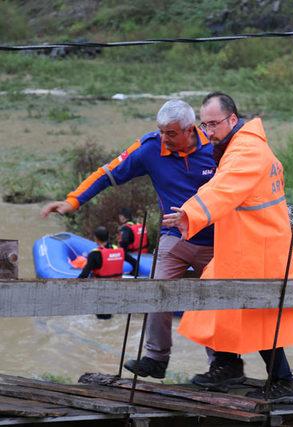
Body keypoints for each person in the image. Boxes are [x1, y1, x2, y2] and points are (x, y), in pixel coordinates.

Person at [41, 99, 216, 379]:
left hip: (215, 239)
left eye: (171, 133)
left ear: (189, 130)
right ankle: (156, 358)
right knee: (157, 290)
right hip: (174, 237)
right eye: (161, 131)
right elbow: (107, 173)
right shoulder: (150, 148)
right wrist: (73, 201)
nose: (164, 138)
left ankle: (220, 364)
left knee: (216, 299)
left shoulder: (215, 146)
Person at [162, 92, 293, 404]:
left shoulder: (248, 151)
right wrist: (192, 209)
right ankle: (227, 364)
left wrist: (191, 213)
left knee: (259, 313)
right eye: (205, 124)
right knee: (217, 300)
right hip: (244, 244)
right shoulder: (238, 146)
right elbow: (218, 185)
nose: (208, 131)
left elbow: (223, 188)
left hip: (260, 248)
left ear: (233, 120)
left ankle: (283, 381)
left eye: (214, 124)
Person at [79, 226, 125, 320]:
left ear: (96, 238)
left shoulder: (94, 254)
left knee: (101, 319)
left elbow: (84, 274)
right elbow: (133, 262)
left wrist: (73, 285)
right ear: (108, 237)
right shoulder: (118, 250)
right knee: (110, 316)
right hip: (116, 290)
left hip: (100, 291)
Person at [117, 207, 149, 275]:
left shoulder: (125, 228)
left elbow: (124, 242)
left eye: (120, 216)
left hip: (133, 254)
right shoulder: (138, 226)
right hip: (145, 254)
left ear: (123, 217)